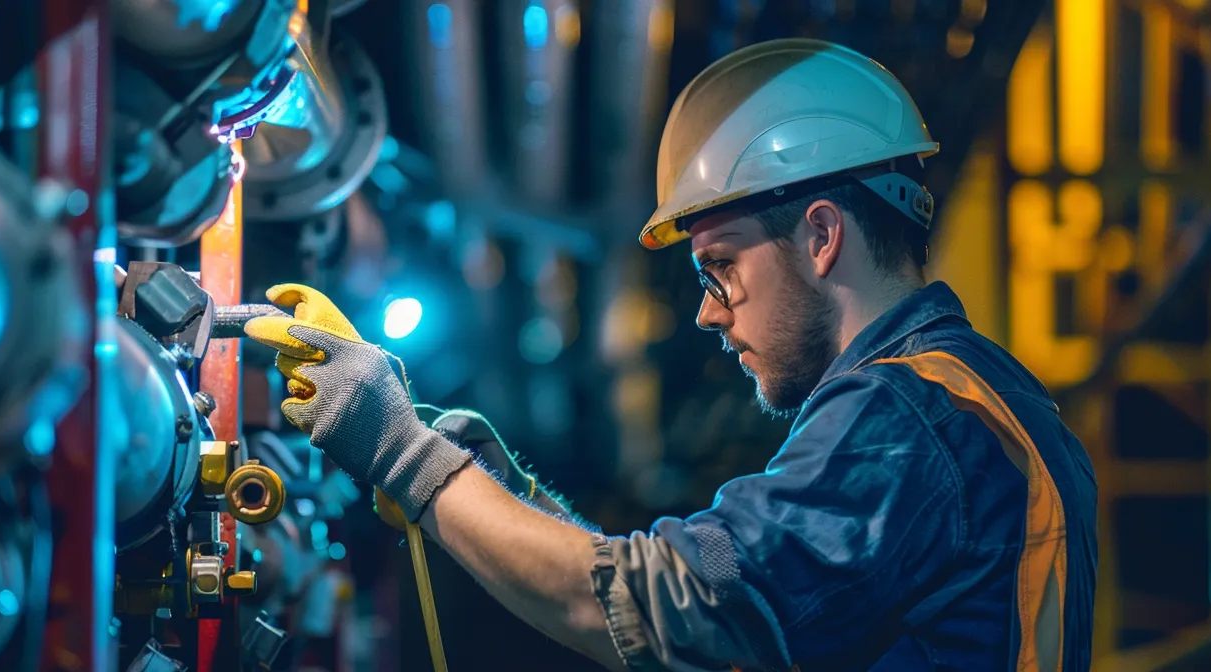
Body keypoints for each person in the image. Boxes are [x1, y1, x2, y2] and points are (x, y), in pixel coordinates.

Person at [245, 38, 1097, 671]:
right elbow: (703, 575)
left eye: (721, 267)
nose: (705, 311)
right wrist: (518, 501)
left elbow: (668, 610)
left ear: (822, 236)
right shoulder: (956, 413)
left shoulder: (906, 423)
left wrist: (399, 448)